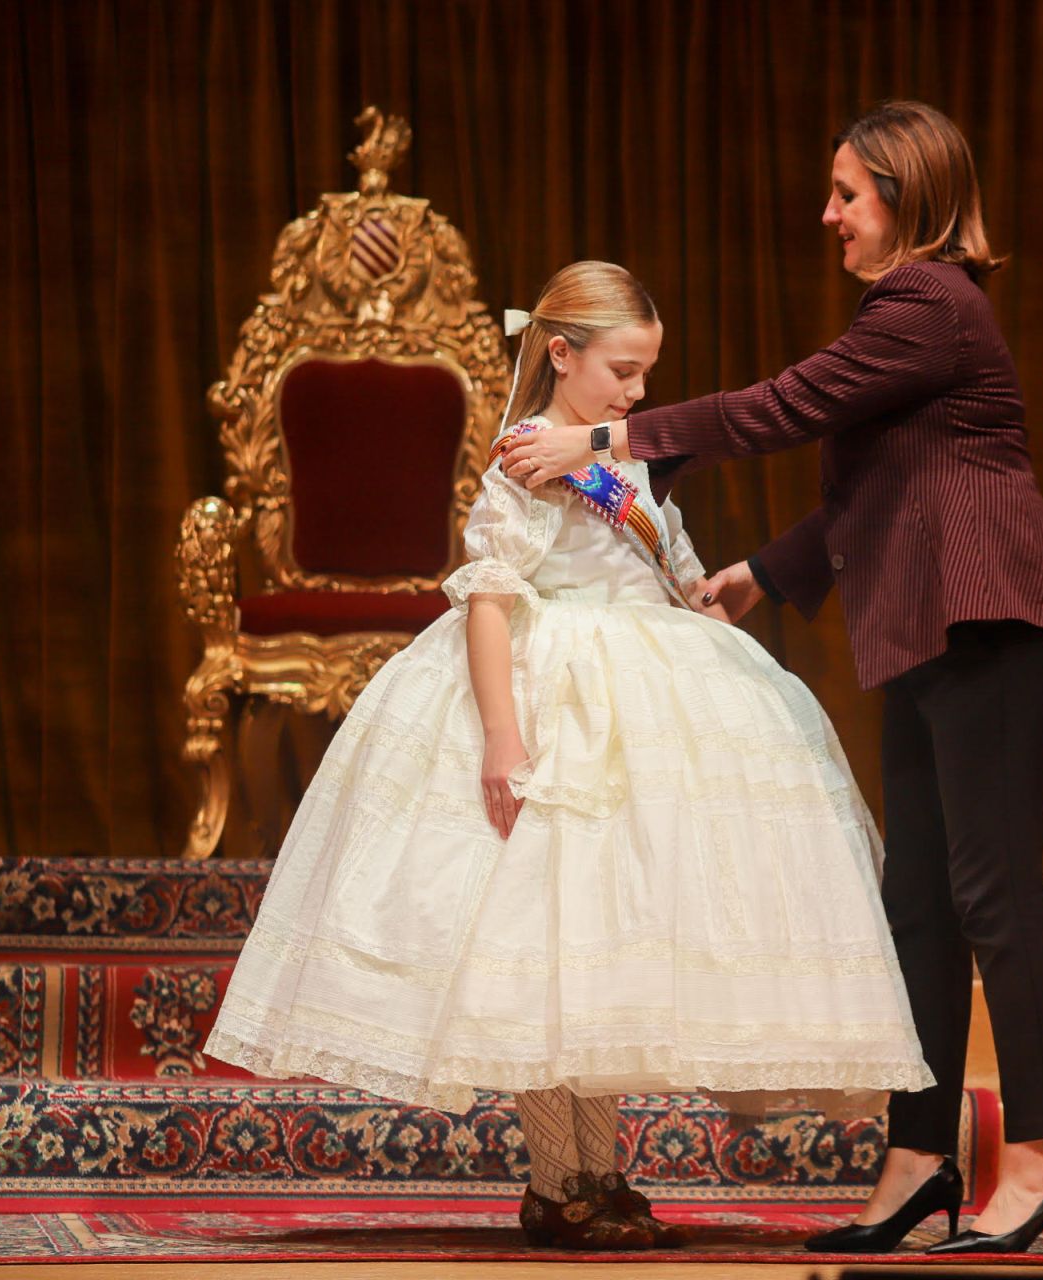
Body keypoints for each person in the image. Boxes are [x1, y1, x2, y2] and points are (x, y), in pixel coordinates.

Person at [204, 260, 931, 1252]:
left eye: (646, 374)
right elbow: (492, 594)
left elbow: (662, 557)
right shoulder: (527, 454)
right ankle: (558, 1175)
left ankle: (601, 1170)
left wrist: (710, 592)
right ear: (561, 353)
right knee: (538, 939)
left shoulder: (621, 453)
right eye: (623, 370)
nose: (637, 393)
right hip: (554, 693)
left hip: (645, 684)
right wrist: (504, 735)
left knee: (604, 936)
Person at [502, 103, 1043, 1257]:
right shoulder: (912, 315)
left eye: (847, 192)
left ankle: (1037, 1160)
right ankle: (920, 1160)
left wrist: (607, 442)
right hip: (931, 628)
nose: (829, 213)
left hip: (995, 626)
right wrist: (761, 576)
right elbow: (872, 489)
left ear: (905, 196)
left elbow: (779, 407)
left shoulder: (929, 301)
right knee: (918, 905)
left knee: (992, 897)